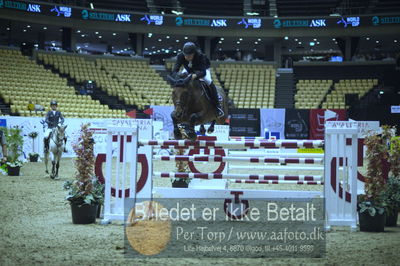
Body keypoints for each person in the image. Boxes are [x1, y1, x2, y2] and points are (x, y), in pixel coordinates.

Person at [172, 42, 224, 118]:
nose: (187, 57)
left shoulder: (200, 56)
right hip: (188, 70)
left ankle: (217, 106)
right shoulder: (180, 56)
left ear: (194, 53)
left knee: (209, 82)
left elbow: (203, 72)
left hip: (202, 70)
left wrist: (195, 75)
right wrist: (178, 76)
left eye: (189, 56)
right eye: (185, 55)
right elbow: (175, 70)